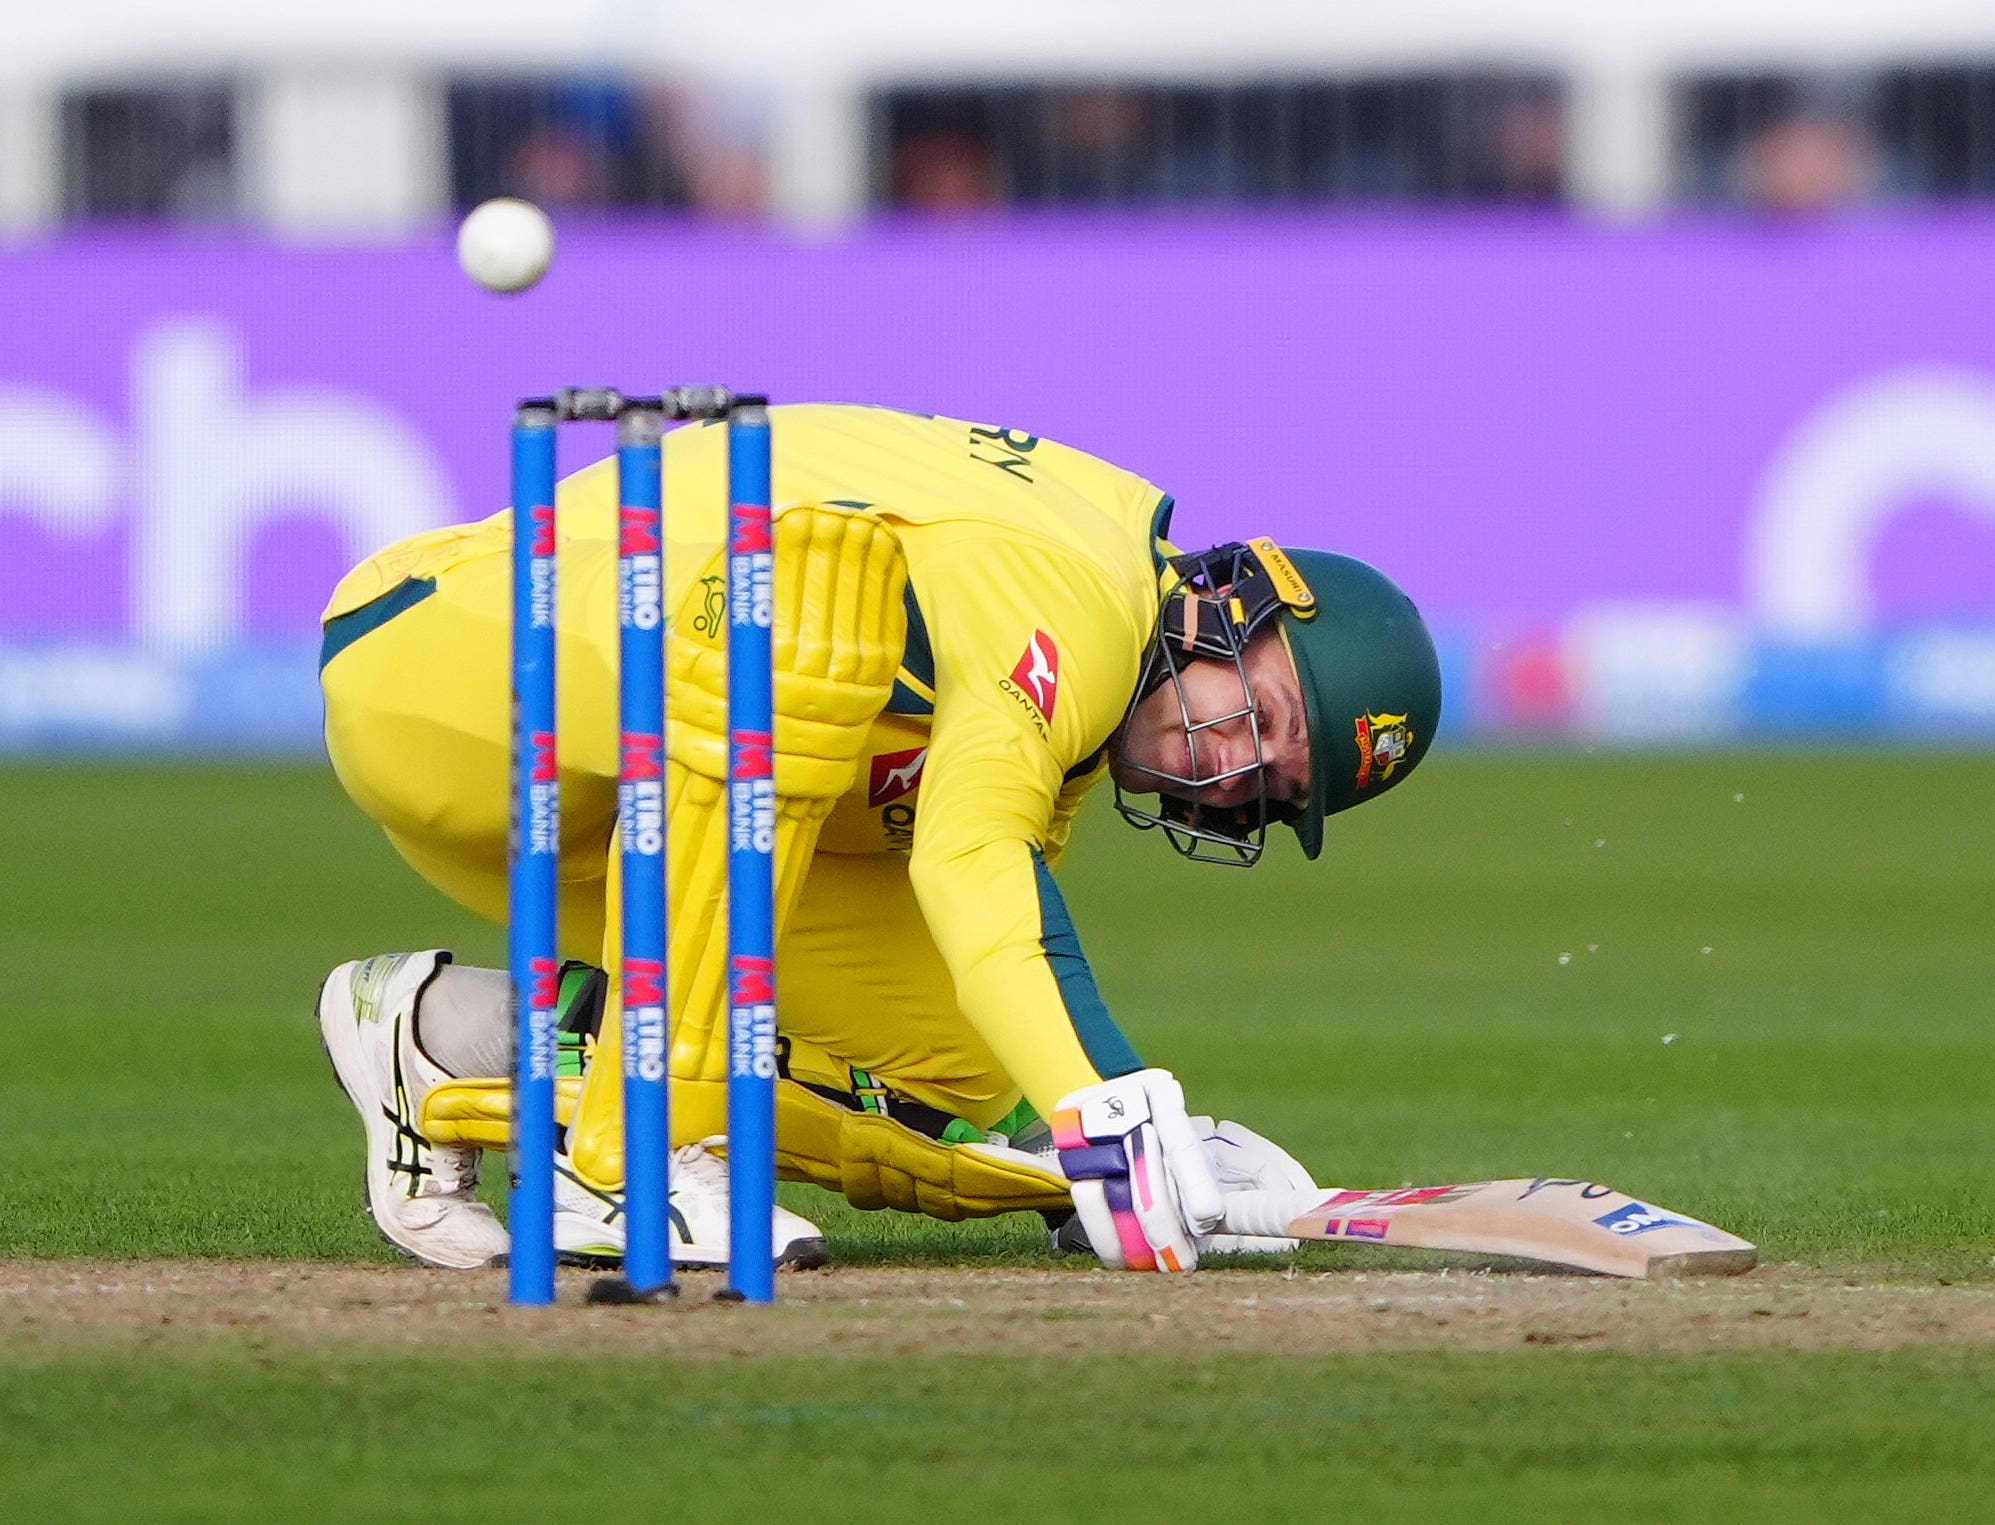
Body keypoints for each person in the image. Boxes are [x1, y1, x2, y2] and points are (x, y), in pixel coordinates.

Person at [314, 403, 1439, 1274]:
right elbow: (968, 854)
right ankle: (619, 1161)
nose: (1227, 767)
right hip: (450, 648)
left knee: (953, 1072)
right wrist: (1106, 1103)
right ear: (1230, 601)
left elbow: (993, 935)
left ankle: (446, 1038)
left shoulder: (1085, 709)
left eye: (1269, 786)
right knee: (810, 628)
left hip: (583, 804)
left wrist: (1095, 1155)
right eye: (1265, 718)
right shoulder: (1087, 595)